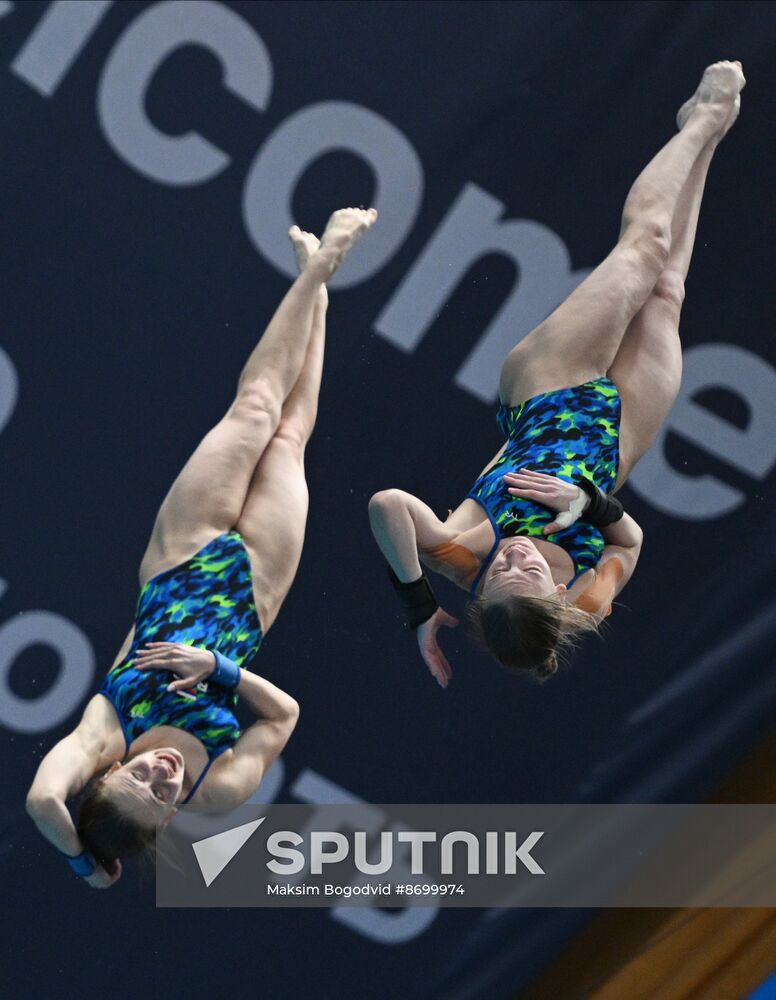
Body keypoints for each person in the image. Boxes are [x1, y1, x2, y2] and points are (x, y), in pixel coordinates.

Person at [26, 207, 378, 887]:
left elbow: (43, 800)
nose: (159, 774)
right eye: (160, 796)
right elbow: (283, 716)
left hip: (180, 559)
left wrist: (88, 866)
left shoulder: (103, 735)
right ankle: (318, 281)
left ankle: (326, 262)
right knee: (290, 434)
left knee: (254, 408)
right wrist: (217, 668)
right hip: (254, 591)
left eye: (138, 778)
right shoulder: (215, 790)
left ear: (112, 770)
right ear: (168, 821)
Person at [369, 61, 745, 687]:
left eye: (501, 575)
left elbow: (388, 506)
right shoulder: (585, 602)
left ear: (479, 596)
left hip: (548, 390)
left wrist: (416, 602)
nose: (513, 559)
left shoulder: (464, 556)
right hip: (620, 430)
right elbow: (629, 545)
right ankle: (705, 136)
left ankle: (704, 115)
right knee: (668, 290)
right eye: (529, 571)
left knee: (646, 247)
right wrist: (591, 503)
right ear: (556, 598)